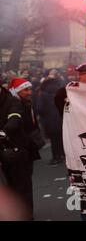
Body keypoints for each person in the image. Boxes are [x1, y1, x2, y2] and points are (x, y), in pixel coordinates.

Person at [8, 78, 42, 216]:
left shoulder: (27, 103)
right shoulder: (13, 105)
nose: (29, 92)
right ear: (17, 91)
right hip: (18, 149)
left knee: (24, 183)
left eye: (29, 89)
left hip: (27, 149)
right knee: (19, 185)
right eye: (25, 90)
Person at [0, 84, 33, 220]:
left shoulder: (12, 100)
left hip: (16, 149)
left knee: (21, 186)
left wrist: (4, 131)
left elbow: (15, 117)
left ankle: (26, 215)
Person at [37, 70, 64, 165]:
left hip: (49, 120)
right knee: (61, 138)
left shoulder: (43, 94)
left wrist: (44, 116)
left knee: (54, 140)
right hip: (62, 119)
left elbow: (39, 108)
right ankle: (62, 155)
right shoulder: (61, 92)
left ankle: (56, 157)